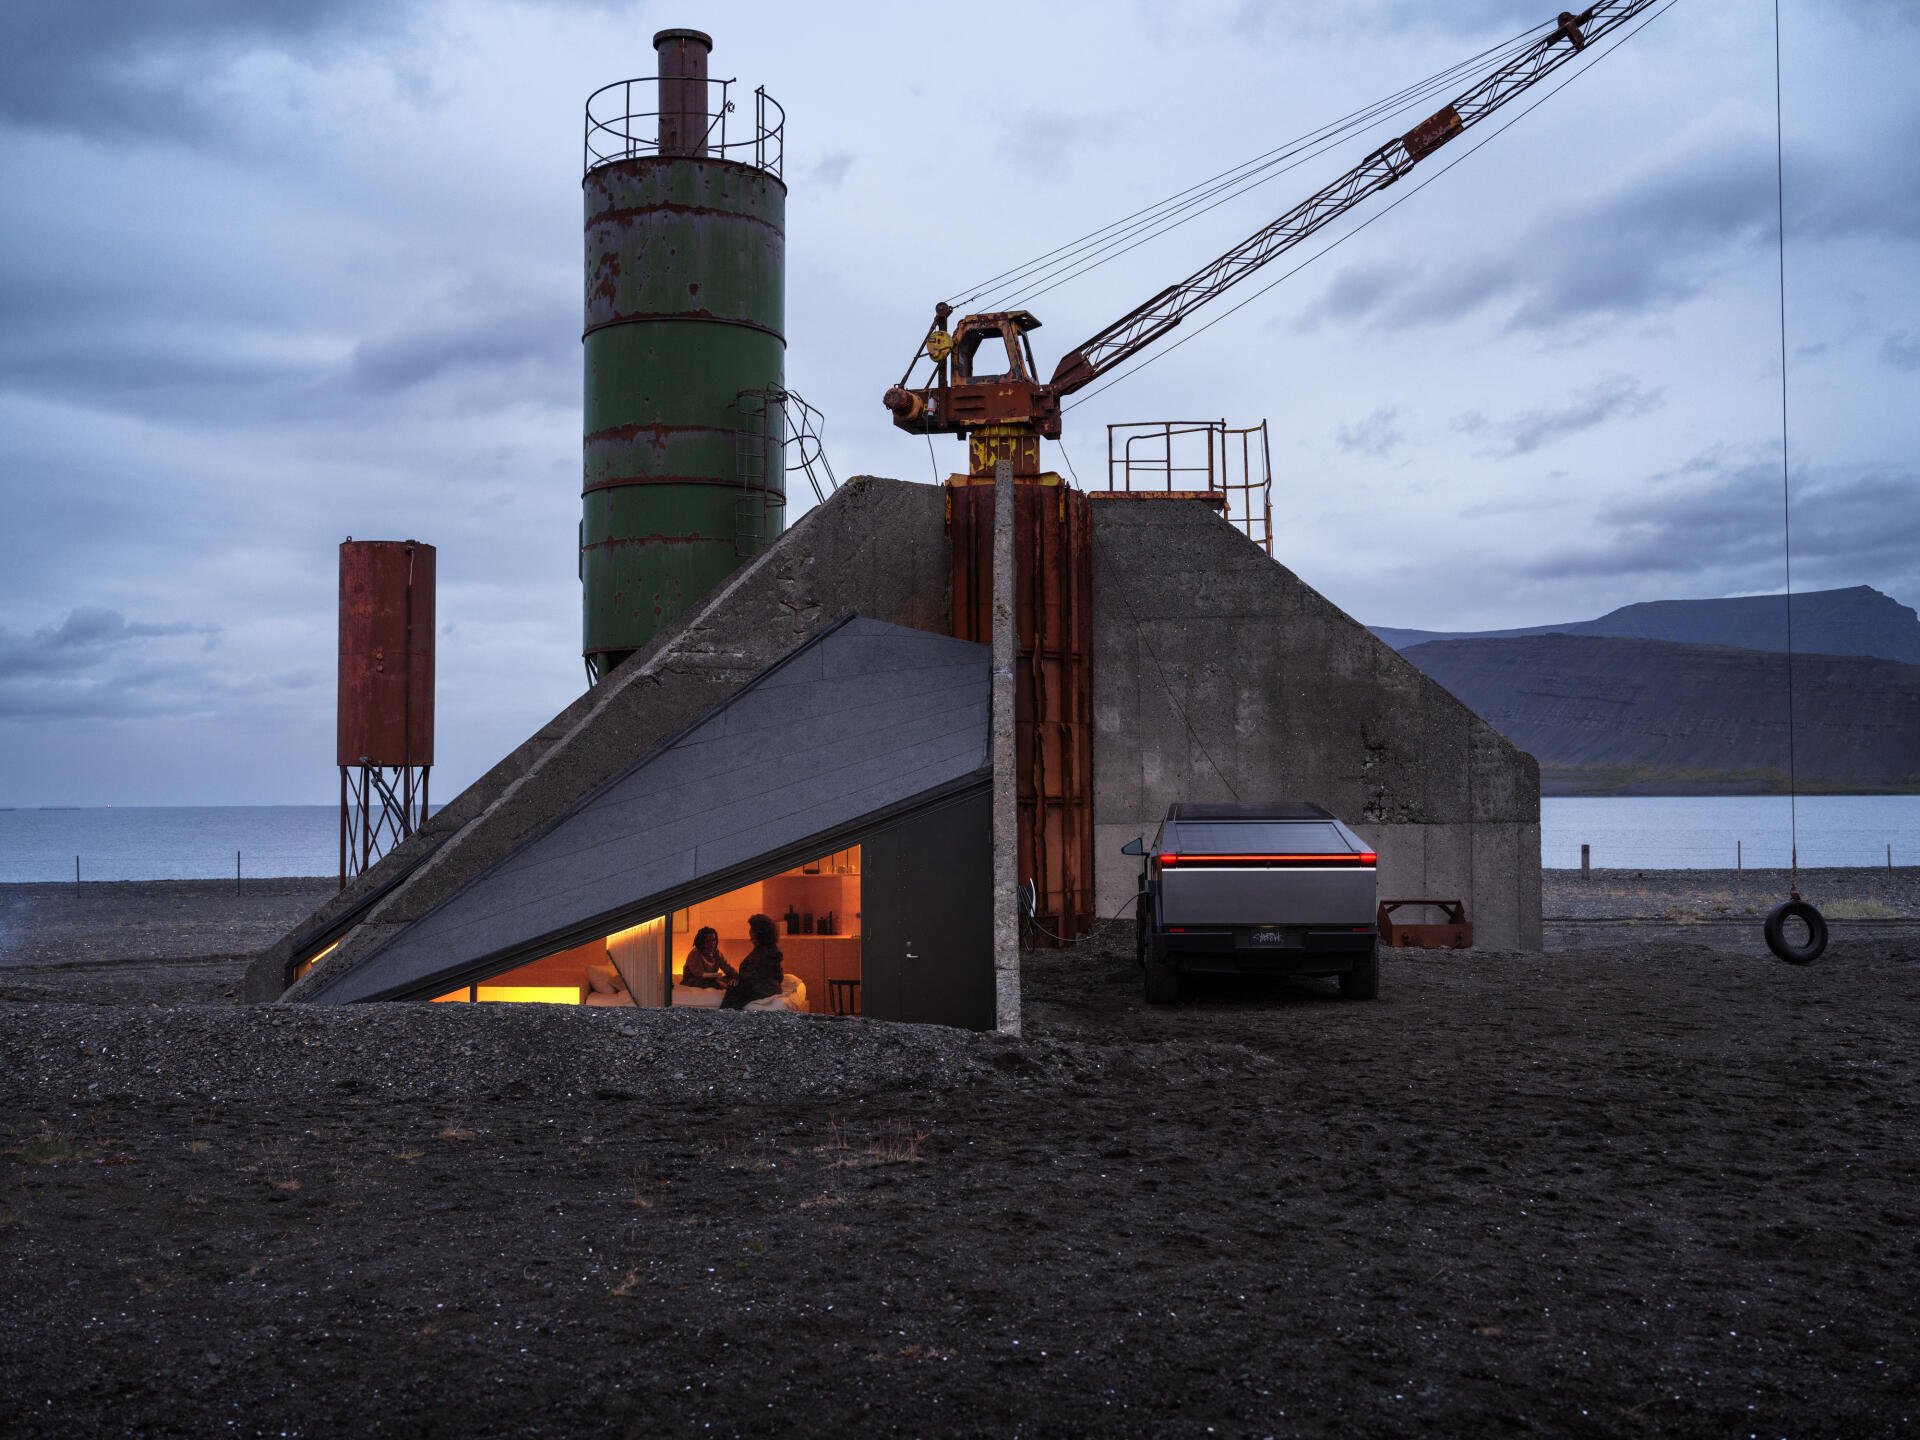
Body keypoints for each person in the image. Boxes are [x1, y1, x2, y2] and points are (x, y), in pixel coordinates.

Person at [719, 913, 784, 1010]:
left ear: (759, 932)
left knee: (734, 991)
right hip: (757, 986)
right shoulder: (761, 949)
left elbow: (762, 975)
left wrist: (740, 980)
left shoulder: (770, 952)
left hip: (763, 988)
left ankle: (724, 1018)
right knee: (732, 986)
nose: (750, 931)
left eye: (752, 929)